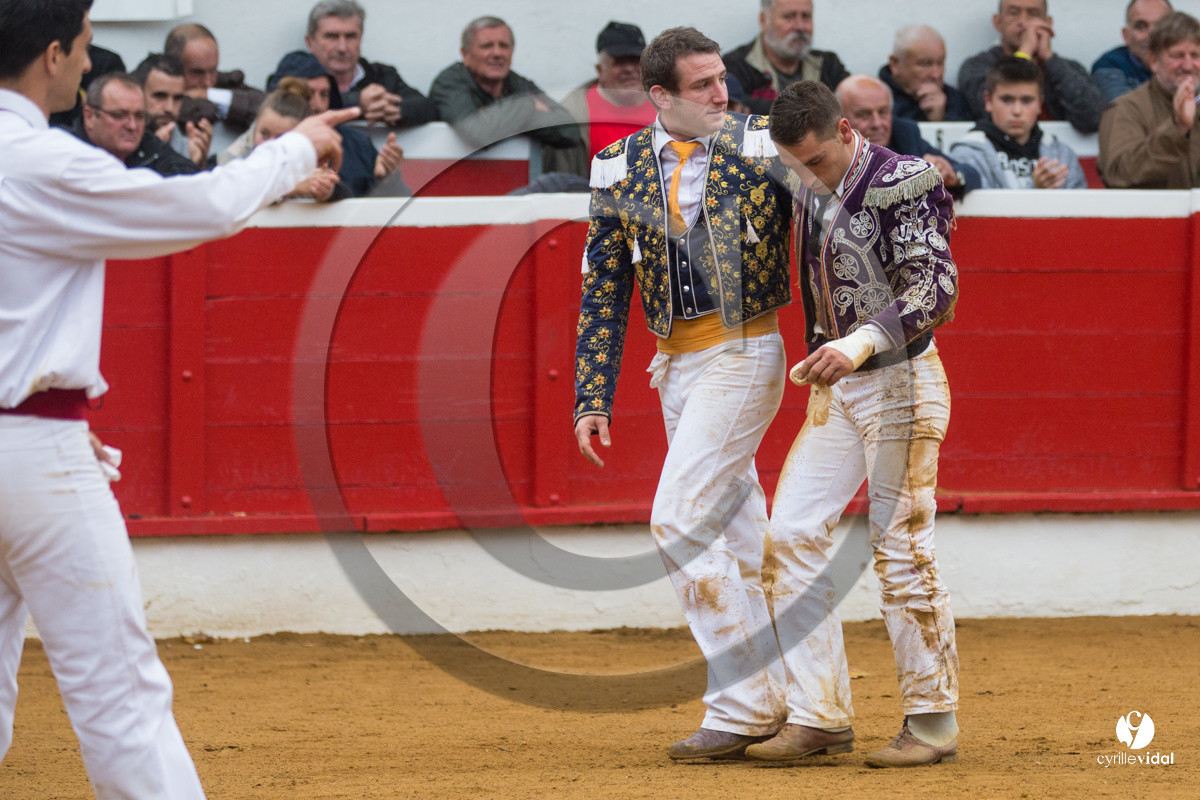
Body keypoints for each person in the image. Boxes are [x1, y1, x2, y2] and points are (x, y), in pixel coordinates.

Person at [0, 2, 354, 798]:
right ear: (52, 55)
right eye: (85, 49)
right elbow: (199, 208)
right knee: (117, 691)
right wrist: (294, 147)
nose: (87, 64)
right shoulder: (40, 160)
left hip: (30, 435)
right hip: (37, 458)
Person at [573, 26, 794, 761]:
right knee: (741, 535)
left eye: (723, 78)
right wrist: (592, 395)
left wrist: (915, 179)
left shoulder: (761, 141)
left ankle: (743, 704)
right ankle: (795, 697)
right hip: (676, 367)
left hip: (745, 350)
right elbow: (605, 287)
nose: (721, 94)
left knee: (678, 518)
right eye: (703, 85)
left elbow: (837, 193)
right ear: (660, 96)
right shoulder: (616, 166)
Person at [745, 78, 960, 768]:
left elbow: (936, 287)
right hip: (839, 391)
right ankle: (820, 715)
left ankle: (932, 722)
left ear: (846, 131)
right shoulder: (804, 175)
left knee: (901, 547)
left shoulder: (904, 180)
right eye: (795, 166)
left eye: (816, 161)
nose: (807, 177)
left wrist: (859, 342)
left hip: (902, 383)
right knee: (790, 534)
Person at [430, 16, 582, 161]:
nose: (497, 53)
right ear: (465, 54)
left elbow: (571, 131)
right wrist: (528, 106)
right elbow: (478, 134)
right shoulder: (449, 82)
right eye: (487, 46)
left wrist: (498, 116)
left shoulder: (517, 83)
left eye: (504, 46)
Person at [263, 50, 408, 197]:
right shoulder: (266, 139)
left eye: (324, 95)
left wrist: (386, 179)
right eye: (308, 94)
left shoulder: (357, 144)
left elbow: (401, 205)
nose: (318, 105)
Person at [958, 0, 1106, 133]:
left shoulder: (1068, 68)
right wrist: (1025, 52)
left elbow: (1094, 119)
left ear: (1047, 23)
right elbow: (993, 114)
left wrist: (1049, 58)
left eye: (1033, 13)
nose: (1023, 22)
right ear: (998, 22)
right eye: (1014, 13)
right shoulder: (976, 66)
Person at [1098, 11, 1200, 188]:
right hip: (1154, 207)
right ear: (1153, 61)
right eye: (1177, 56)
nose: (1188, 66)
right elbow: (1116, 174)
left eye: (1195, 55)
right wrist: (1178, 128)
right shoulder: (1126, 109)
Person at [950, 57, 1086, 189]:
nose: (1017, 111)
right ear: (988, 101)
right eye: (1007, 100)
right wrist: (1036, 190)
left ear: (1040, 103)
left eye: (1027, 101)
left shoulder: (1061, 154)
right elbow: (976, 205)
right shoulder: (968, 154)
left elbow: (1081, 204)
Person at [836, 74, 981, 196]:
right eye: (864, 115)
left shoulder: (905, 135)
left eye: (883, 112)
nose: (877, 123)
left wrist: (953, 176)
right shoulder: (829, 151)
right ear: (840, 122)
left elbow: (972, 174)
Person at [546, 20, 657, 178]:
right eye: (619, 62)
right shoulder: (572, 118)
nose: (629, 69)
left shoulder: (669, 108)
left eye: (635, 60)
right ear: (600, 70)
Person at [302, 0, 435, 128]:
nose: (342, 48)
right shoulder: (297, 77)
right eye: (331, 36)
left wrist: (395, 110)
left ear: (360, 39)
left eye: (351, 36)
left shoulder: (382, 76)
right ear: (310, 42)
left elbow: (428, 108)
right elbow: (295, 108)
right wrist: (357, 102)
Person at [65, 71, 201, 177]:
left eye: (139, 116)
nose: (132, 126)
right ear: (89, 116)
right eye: (119, 115)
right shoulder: (65, 148)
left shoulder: (149, 145)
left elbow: (189, 178)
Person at [723, 0, 849, 115]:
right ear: (763, 20)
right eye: (789, 17)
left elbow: (852, 104)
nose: (800, 27)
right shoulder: (735, 68)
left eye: (806, 16)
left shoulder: (828, 65)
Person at [164, 22, 264, 133]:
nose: (208, 82)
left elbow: (268, 107)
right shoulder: (156, 96)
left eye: (213, 70)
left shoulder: (224, 81)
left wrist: (207, 94)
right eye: (197, 72)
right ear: (172, 68)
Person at [132, 52, 212, 168]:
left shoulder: (190, 149)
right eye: (160, 96)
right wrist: (153, 150)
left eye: (177, 98)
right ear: (138, 94)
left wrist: (197, 166)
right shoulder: (118, 142)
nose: (169, 108)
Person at [880, 25, 973, 122]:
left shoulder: (956, 101)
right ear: (895, 64)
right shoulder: (876, 99)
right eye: (925, 64)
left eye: (940, 63)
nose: (936, 75)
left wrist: (941, 119)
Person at [1092, 0, 1174, 103]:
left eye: (1160, 26)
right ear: (1126, 35)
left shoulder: (1188, 63)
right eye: (1141, 27)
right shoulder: (1109, 66)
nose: (1151, 36)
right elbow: (1126, 110)